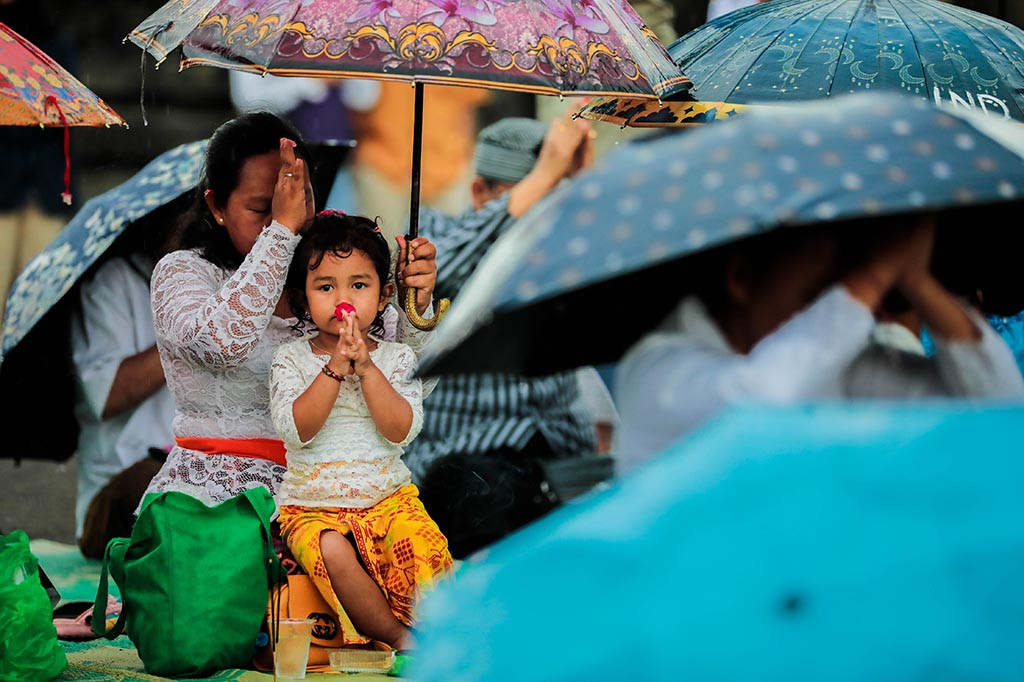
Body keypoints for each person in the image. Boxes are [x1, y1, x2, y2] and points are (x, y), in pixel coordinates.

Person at [139, 112, 437, 507]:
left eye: (302, 201)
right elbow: (223, 344)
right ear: (217, 206)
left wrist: (413, 301)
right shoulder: (183, 272)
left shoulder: (332, 283)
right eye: (264, 208)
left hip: (339, 495)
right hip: (218, 504)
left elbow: (413, 381)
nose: (292, 221)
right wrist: (281, 231)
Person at [614, 216, 1024, 472]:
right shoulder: (656, 370)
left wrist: (916, 280)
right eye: (816, 297)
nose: (836, 315)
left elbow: (997, 408)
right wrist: (873, 278)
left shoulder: (827, 356)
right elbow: (760, 401)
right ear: (741, 279)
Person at [409, 116, 615, 557]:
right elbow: (447, 271)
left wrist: (584, 187)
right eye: (532, 200)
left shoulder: (563, 245)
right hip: (464, 466)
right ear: (480, 192)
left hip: (560, 462)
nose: (541, 218)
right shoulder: (434, 235)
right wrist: (544, 177)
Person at [271, 212, 451, 650]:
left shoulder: (396, 358)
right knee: (332, 550)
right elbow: (298, 430)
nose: (342, 299)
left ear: (385, 293)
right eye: (325, 286)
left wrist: (367, 368)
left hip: (388, 499)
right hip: (312, 508)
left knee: (420, 544)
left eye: (359, 284)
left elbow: (400, 431)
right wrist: (335, 368)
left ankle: (443, 628)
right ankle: (393, 635)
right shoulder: (291, 359)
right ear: (303, 296)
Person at [71, 210, 179, 559]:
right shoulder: (115, 282)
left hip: (200, 481)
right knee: (153, 489)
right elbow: (107, 394)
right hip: (121, 491)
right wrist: (191, 331)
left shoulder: (233, 283)